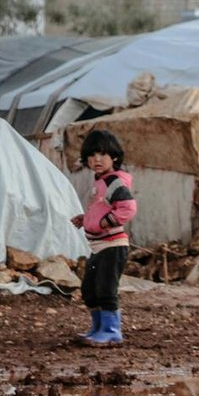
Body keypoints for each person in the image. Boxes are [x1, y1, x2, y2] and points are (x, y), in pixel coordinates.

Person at [70, 128, 137, 346]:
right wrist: (87, 219)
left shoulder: (114, 181)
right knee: (89, 289)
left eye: (102, 154)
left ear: (114, 157)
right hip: (98, 245)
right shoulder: (101, 181)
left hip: (113, 244)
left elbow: (127, 208)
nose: (96, 159)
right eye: (91, 155)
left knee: (106, 288)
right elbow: (103, 208)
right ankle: (98, 327)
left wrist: (103, 222)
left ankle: (111, 330)